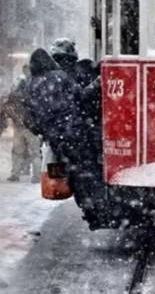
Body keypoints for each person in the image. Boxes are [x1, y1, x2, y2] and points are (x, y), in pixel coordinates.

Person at [24, 48, 105, 229]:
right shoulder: (60, 77)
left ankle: (88, 208)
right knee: (89, 170)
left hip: (56, 139)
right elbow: (81, 96)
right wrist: (98, 83)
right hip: (75, 132)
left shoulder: (31, 86)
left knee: (74, 173)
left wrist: (45, 131)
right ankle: (99, 210)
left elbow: (30, 118)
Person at [4, 64, 41, 183]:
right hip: (29, 125)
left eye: (27, 70)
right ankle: (34, 176)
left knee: (20, 151)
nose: (26, 72)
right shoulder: (35, 85)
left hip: (24, 125)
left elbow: (11, 101)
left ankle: (17, 174)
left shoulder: (24, 86)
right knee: (32, 152)